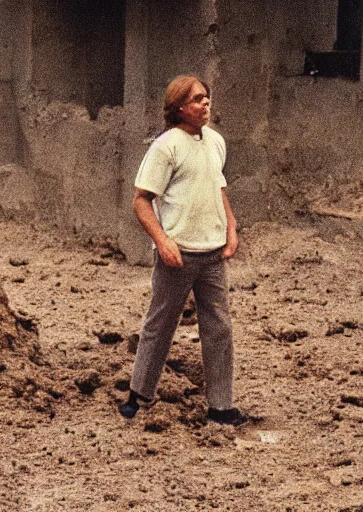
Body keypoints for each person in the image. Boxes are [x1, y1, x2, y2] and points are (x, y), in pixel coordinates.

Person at [119, 75, 247, 426]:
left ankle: (221, 405)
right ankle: (139, 393)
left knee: (219, 327)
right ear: (178, 107)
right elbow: (142, 200)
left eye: (207, 98)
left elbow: (219, 188)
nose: (205, 104)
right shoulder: (166, 146)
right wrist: (163, 241)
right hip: (178, 254)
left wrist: (231, 229)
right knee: (161, 323)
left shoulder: (216, 142)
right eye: (196, 100)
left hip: (213, 254)